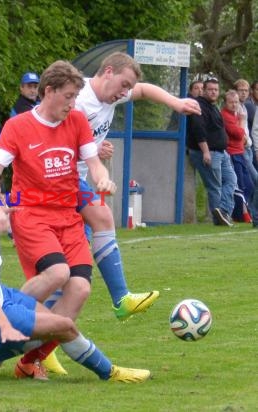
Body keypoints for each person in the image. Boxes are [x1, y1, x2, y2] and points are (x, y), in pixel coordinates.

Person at [0, 163, 150, 383]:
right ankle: (111, 373)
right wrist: (3, 325)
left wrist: (0, 209)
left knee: (50, 325)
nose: (2, 197)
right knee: (64, 327)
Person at [72, 51, 202, 320]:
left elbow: (143, 89)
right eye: (123, 85)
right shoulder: (78, 100)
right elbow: (53, 143)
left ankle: (40, 346)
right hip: (60, 180)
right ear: (108, 71)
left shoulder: (109, 95)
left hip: (75, 180)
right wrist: (93, 150)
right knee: (102, 220)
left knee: (75, 269)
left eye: (127, 88)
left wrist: (176, 103)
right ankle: (121, 299)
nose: (125, 93)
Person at [187, 78, 236, 226]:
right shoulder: (199, 106)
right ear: (204, 90)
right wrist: (206, 152)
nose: (213, 92)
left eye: (216, 89)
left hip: (222, 152)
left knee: (231, 180)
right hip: (208, 153)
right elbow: (198, 130)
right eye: (210, 89)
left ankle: (224, 211)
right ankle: (219, 220)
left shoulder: (213, 106)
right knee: (214, 186)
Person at [221, 90, 254, 221]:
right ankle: (240, 215)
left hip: (240, 152)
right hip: (232, 153)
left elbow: (243, 137)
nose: (234, 105)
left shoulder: (234, 115)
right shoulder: (226, 116)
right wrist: (242, 121)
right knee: (239, 185)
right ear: (225, 103)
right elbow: (239, 134)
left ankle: (244, 211)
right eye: (231, 102)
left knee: (249, 185)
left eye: (236, 102)